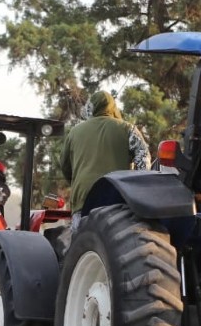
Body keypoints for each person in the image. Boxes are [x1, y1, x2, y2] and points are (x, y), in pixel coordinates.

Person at [59, 90, 149, 228]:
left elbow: (65, 166)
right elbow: (143, 161)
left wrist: (78, 182)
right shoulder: (127, 129)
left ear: (91, 107)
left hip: (83, 200)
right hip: (117, 198)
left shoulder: (74, 132)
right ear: (113, 108)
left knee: (81, 244)